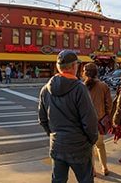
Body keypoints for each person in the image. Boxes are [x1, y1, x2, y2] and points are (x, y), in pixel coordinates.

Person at [38, 51, 97, 183]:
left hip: (57, 144)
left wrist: (54, 135)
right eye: (77, 65)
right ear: (73, 66)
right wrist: (91, 140)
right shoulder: (79, 88)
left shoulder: (45, 90)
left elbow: (42, 119)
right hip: (79, 144)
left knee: (58, 180)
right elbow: (90, 120)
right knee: (85, 179)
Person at [82, 63, 112, 176]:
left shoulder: (82, 87)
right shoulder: (103, 86)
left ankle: (93, 169)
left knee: (89, 147)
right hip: (100, 121)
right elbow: (109, 104)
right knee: (100, 145)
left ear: (85, 73)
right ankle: (104, 167)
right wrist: (107, 116)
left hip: (86, 122)